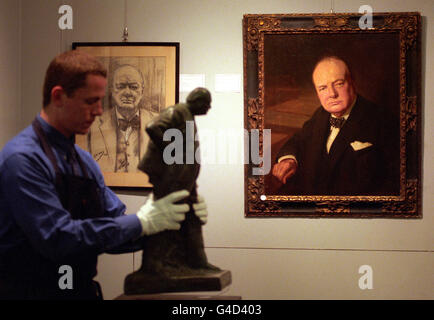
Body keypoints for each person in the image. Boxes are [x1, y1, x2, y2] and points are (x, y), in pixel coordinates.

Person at [0, 50, 206, 300]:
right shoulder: (22, 160)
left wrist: (173, 214)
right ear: (58, 96)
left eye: (100, 100)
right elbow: (57, 238)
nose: (99, 110)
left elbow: (116, 229)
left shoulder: (84, 162)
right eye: (90, 101)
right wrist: (143, 222)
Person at [124, 88, 216, 294]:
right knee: (169, 217)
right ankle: (158, 265)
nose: (209, 108)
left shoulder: (188, 114)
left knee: (192, 217)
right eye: (207, 104)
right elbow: (152, 126)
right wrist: (173, 149)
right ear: (198, 102)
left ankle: (197, 261)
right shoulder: (177, 111)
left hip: (185, 176)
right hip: (172, 175)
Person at [272, 55, 400, 195]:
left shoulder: (384, 121)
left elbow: (394, 182)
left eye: (339, 83)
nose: (332, 94)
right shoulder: (321, 115)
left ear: (352, 82)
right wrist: (289, 159)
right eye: (323, 88)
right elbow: (298, 140)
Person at [86, 64, 156, 172]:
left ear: (142, 91)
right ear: (112, 90)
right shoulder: (92, 125)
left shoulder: (159, 123)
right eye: (121, 86)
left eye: (133, 87)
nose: (127, 93)